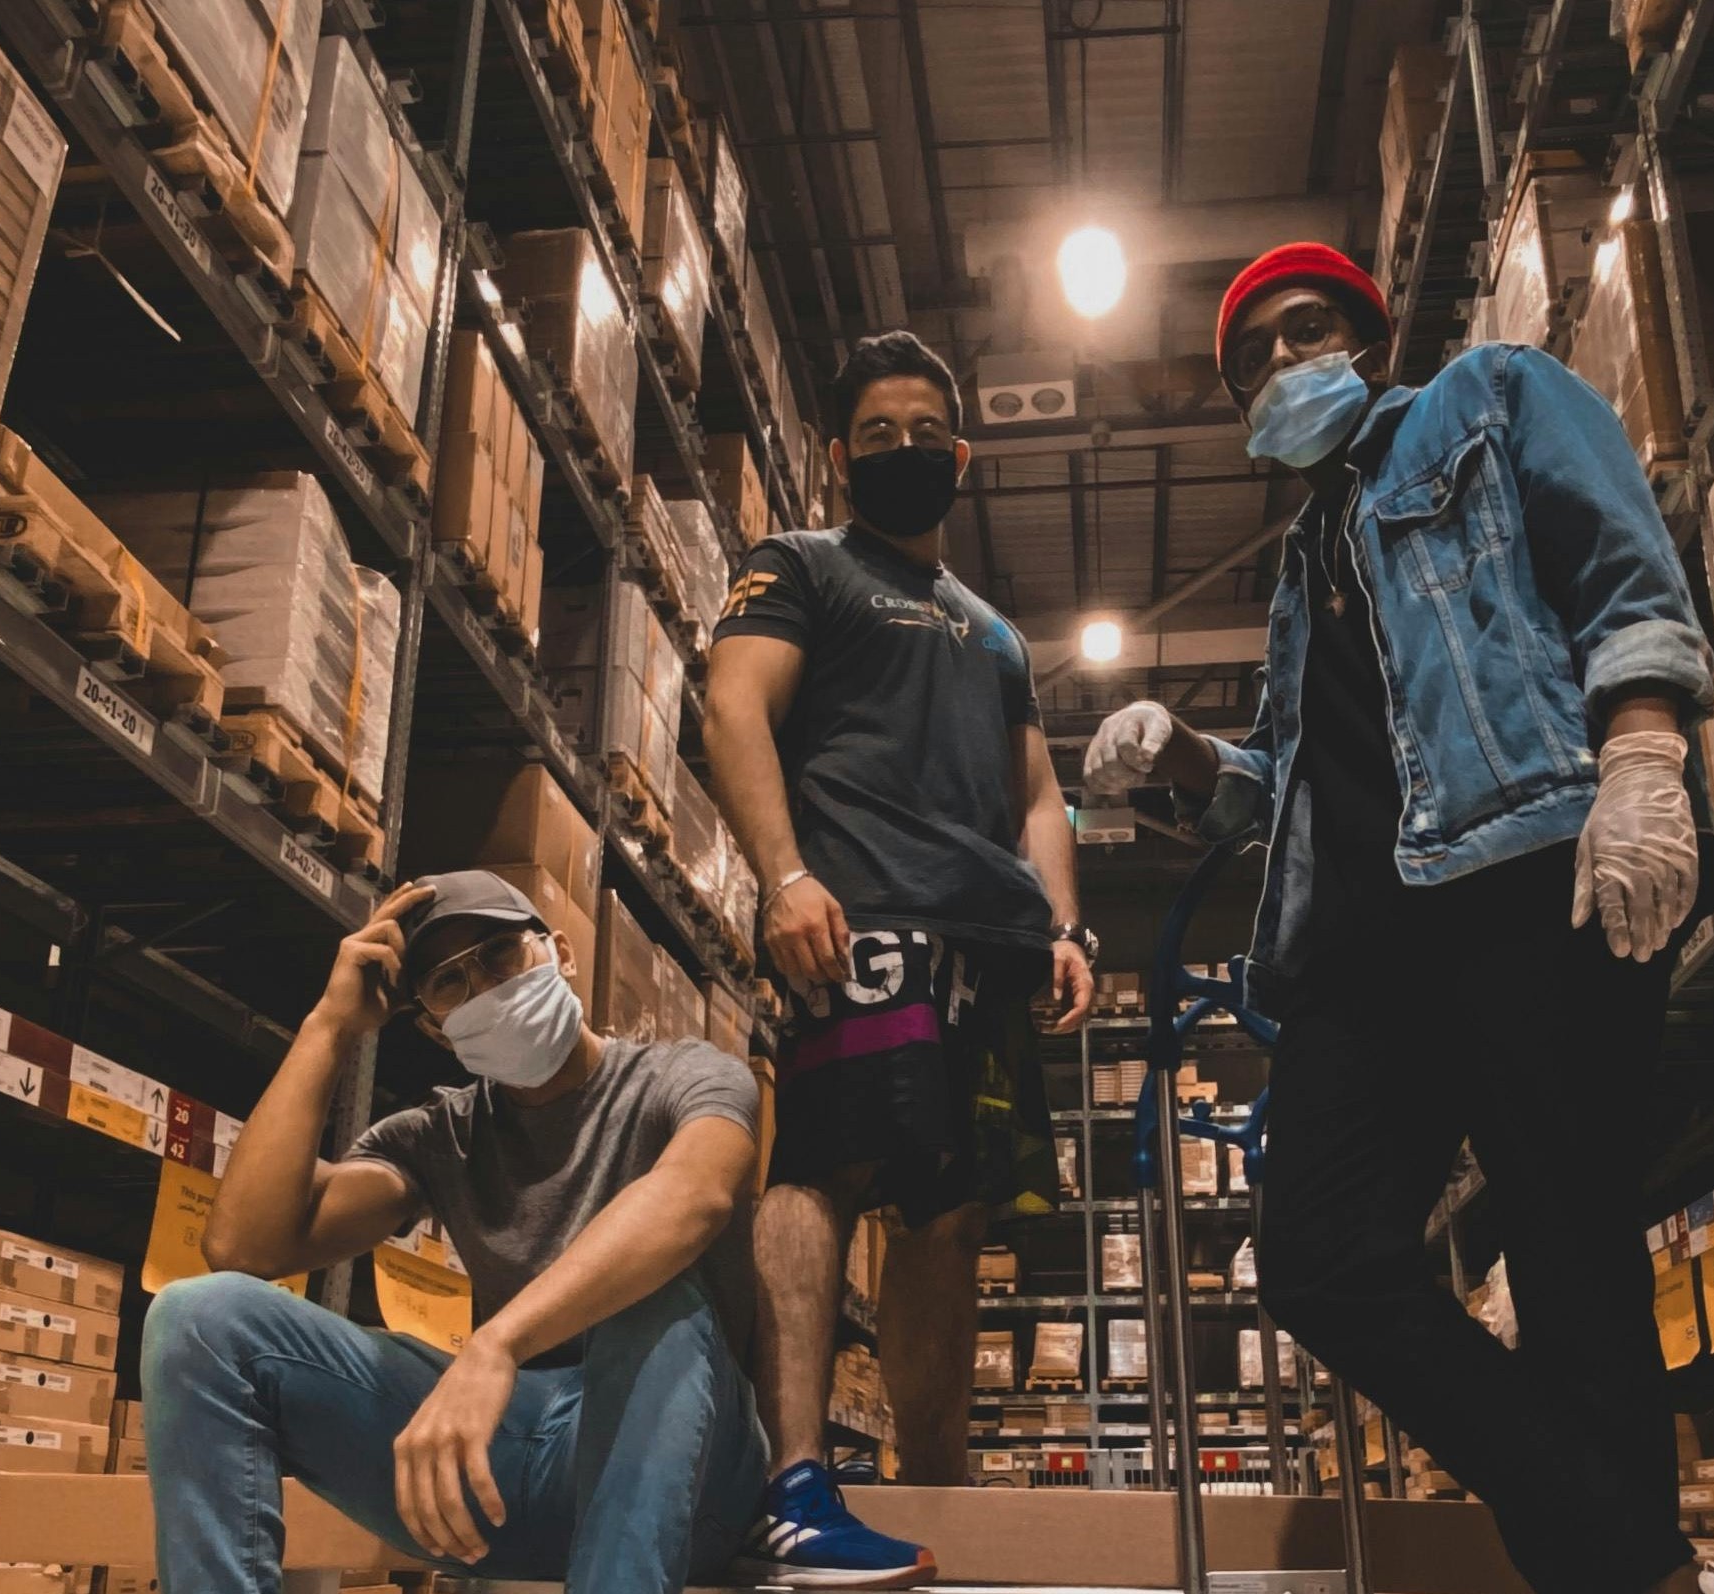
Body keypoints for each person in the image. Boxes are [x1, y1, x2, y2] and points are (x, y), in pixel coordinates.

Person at [1085, 242, 1714, 1594]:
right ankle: (1639, 1560)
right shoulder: (1296, 572)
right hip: (1366, 957)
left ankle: (1616, 1577)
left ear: (1368, 338)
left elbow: (1620, 566)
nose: (1277, 362)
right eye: (1248, 358)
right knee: (1315, 1258)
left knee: (1568, 1257)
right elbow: (1288, 781)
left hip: (1526, 886)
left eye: (1301, 329)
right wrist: (1185, 756)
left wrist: (1642, 753)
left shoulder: (1488, 396)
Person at [704, 329, 1096, 1588]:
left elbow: (1037, 793)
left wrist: (1063, 924)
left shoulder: (995, 633)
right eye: (877, 434)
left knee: (948, 1211)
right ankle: (794, 1479)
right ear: (837, 456)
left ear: (961, 457)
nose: (904, 450)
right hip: (858, 914)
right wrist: (784, 876)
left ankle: (934, 1491)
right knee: (825, 1162)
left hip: (986, 941)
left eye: (926, 433)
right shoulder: (802, 565)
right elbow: (733, 704)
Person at [139, 870, 767, 1594]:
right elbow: (245, 1247)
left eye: (498, 954)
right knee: (199, 1316)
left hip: (686, 1478)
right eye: (448, 984)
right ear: (436, 1028)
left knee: (655, 1300)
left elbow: (694, 1197)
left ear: (560, 952)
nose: (484, 991)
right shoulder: (440, 1137)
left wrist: (498, 1345)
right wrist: (330, 1026)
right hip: (505, 1475)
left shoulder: (686, 1077)